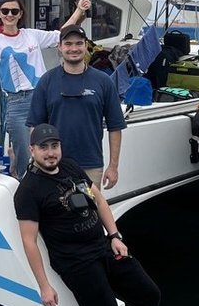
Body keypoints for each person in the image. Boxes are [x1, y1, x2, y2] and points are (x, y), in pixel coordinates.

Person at [14, 123, 168, 306]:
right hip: (77, 264)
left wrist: (114, 236)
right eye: (43, 148)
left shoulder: (71, 168)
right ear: (32, 150)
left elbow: (98, 200)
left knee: (149, 295)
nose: (50, 153)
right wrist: (44, 286)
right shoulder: (29, 190)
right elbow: (29, 241)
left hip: (103, 248)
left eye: (54, 146)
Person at [0, 0, 91, 178]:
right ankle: (24, 180)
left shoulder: (32, 35)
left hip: (43, 97)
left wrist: (79, 10)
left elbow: (62, 35)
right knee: (26, 153)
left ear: (20, 14)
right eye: (5, 11)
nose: (10, 14)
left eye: (14, 11)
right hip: (16, 103)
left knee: (50, 147)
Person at [27, 24, 125, 189]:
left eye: (79, 43)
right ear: (59, 47)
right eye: (68, 44)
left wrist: (113, 166)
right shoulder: (46, 81)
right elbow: (35, 126)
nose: (74, 48)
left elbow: (115, 127)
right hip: (52, 165)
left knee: (90, 206)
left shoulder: (104, 82)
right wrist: (37, 161)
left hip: (91, 166)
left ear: (86, 46)